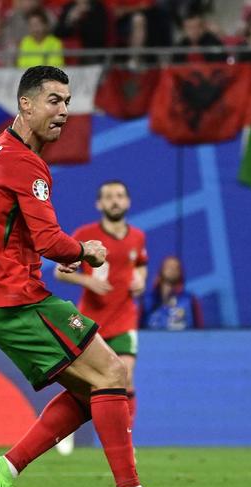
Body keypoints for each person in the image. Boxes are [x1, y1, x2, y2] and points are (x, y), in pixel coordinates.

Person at [0, 66, 193, 487]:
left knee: (94, 390)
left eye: (67, 101)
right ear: (25, 104)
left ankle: (4, 470)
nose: (63, 111)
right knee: (112, 373)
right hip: (15, 298)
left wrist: (43, 251)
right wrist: (85, 251)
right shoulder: (24, 162)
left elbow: (12, 227)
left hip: (2, 295)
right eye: (53, 100)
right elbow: (50, 240)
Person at [55, 180, 148, 455]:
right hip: (91, 320)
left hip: (124, 319)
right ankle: (65, 430)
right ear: (99, 204)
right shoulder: (86, 234)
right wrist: (87, 281)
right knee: (85, 385)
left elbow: (140, 264)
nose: (115, 201)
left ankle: (124, 441)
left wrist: (141, 280)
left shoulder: (137, 237)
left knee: (126, 377)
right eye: (109, 197)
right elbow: (60, 272)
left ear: (128, 202)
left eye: (120, 195)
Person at [140, 256, 204, 330]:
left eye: (175, 267)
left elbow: (200, 329)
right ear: (161, 270)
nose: (172, 269)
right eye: (169, 266)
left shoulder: (190, 300)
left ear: (180, 272)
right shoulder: (146, 301)